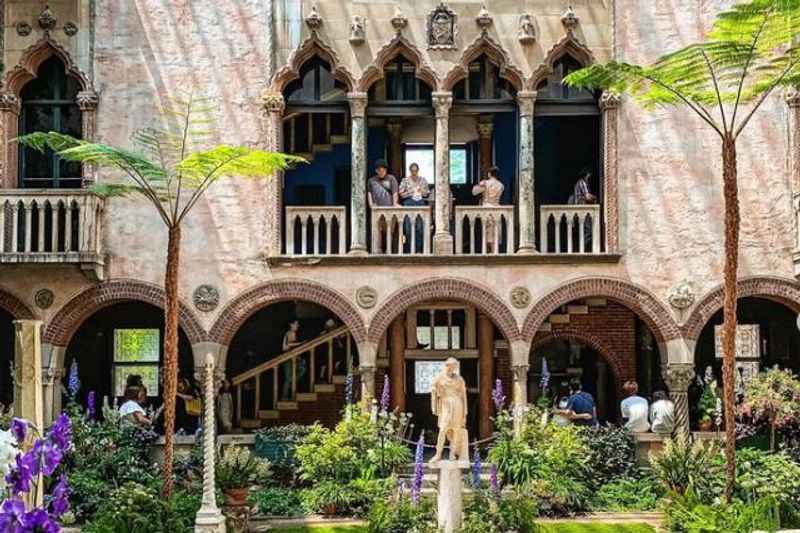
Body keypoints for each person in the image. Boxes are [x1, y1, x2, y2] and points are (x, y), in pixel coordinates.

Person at [368, 159, 400, 252]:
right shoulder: (371, 180)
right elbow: (369, 193)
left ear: (386, 170)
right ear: (376, 171)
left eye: (383, 170)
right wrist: (371, 204)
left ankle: (389, 250)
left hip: (389, 209)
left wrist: (394, 204)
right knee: (378, 230)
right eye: (379, 170)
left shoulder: (391, 179)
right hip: (377, 209)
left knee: (390, 231)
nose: (381, 172)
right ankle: (378, 250)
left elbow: (395, 192)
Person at [472, 166, 505, 252]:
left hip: (487, 208)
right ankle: (495, 252)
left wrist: (479, 184)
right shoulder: (501, 185)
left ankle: (487, 253)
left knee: (487, 232)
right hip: (497, 208)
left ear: (489, 174)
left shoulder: (485, 183)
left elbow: (474, 192)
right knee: (495, 232)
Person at [399, 162, 431, 253]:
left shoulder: (423, 180)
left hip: (420, 204)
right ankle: (409, 250)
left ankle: (418, 250)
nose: (414, 172)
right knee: (408, 228)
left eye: (415, 171)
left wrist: (421, 191)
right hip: (409, 204)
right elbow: (401, 194)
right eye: (412, 171)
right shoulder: (405, 180)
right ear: (410, 171)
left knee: (420, 228)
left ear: (418, 170)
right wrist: (411, 192)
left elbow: (427, 193)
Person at [569, 168, 597, 251]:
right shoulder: (582, 182)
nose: (590, 176)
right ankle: (584, 249)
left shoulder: (582, 183)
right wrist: (595, 197)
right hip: (582, 209)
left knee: (585, 230)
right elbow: (587, 196)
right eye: (589, 174)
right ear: (586, 174)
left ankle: (583, 248)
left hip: (582, 210)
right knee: (589, 231)